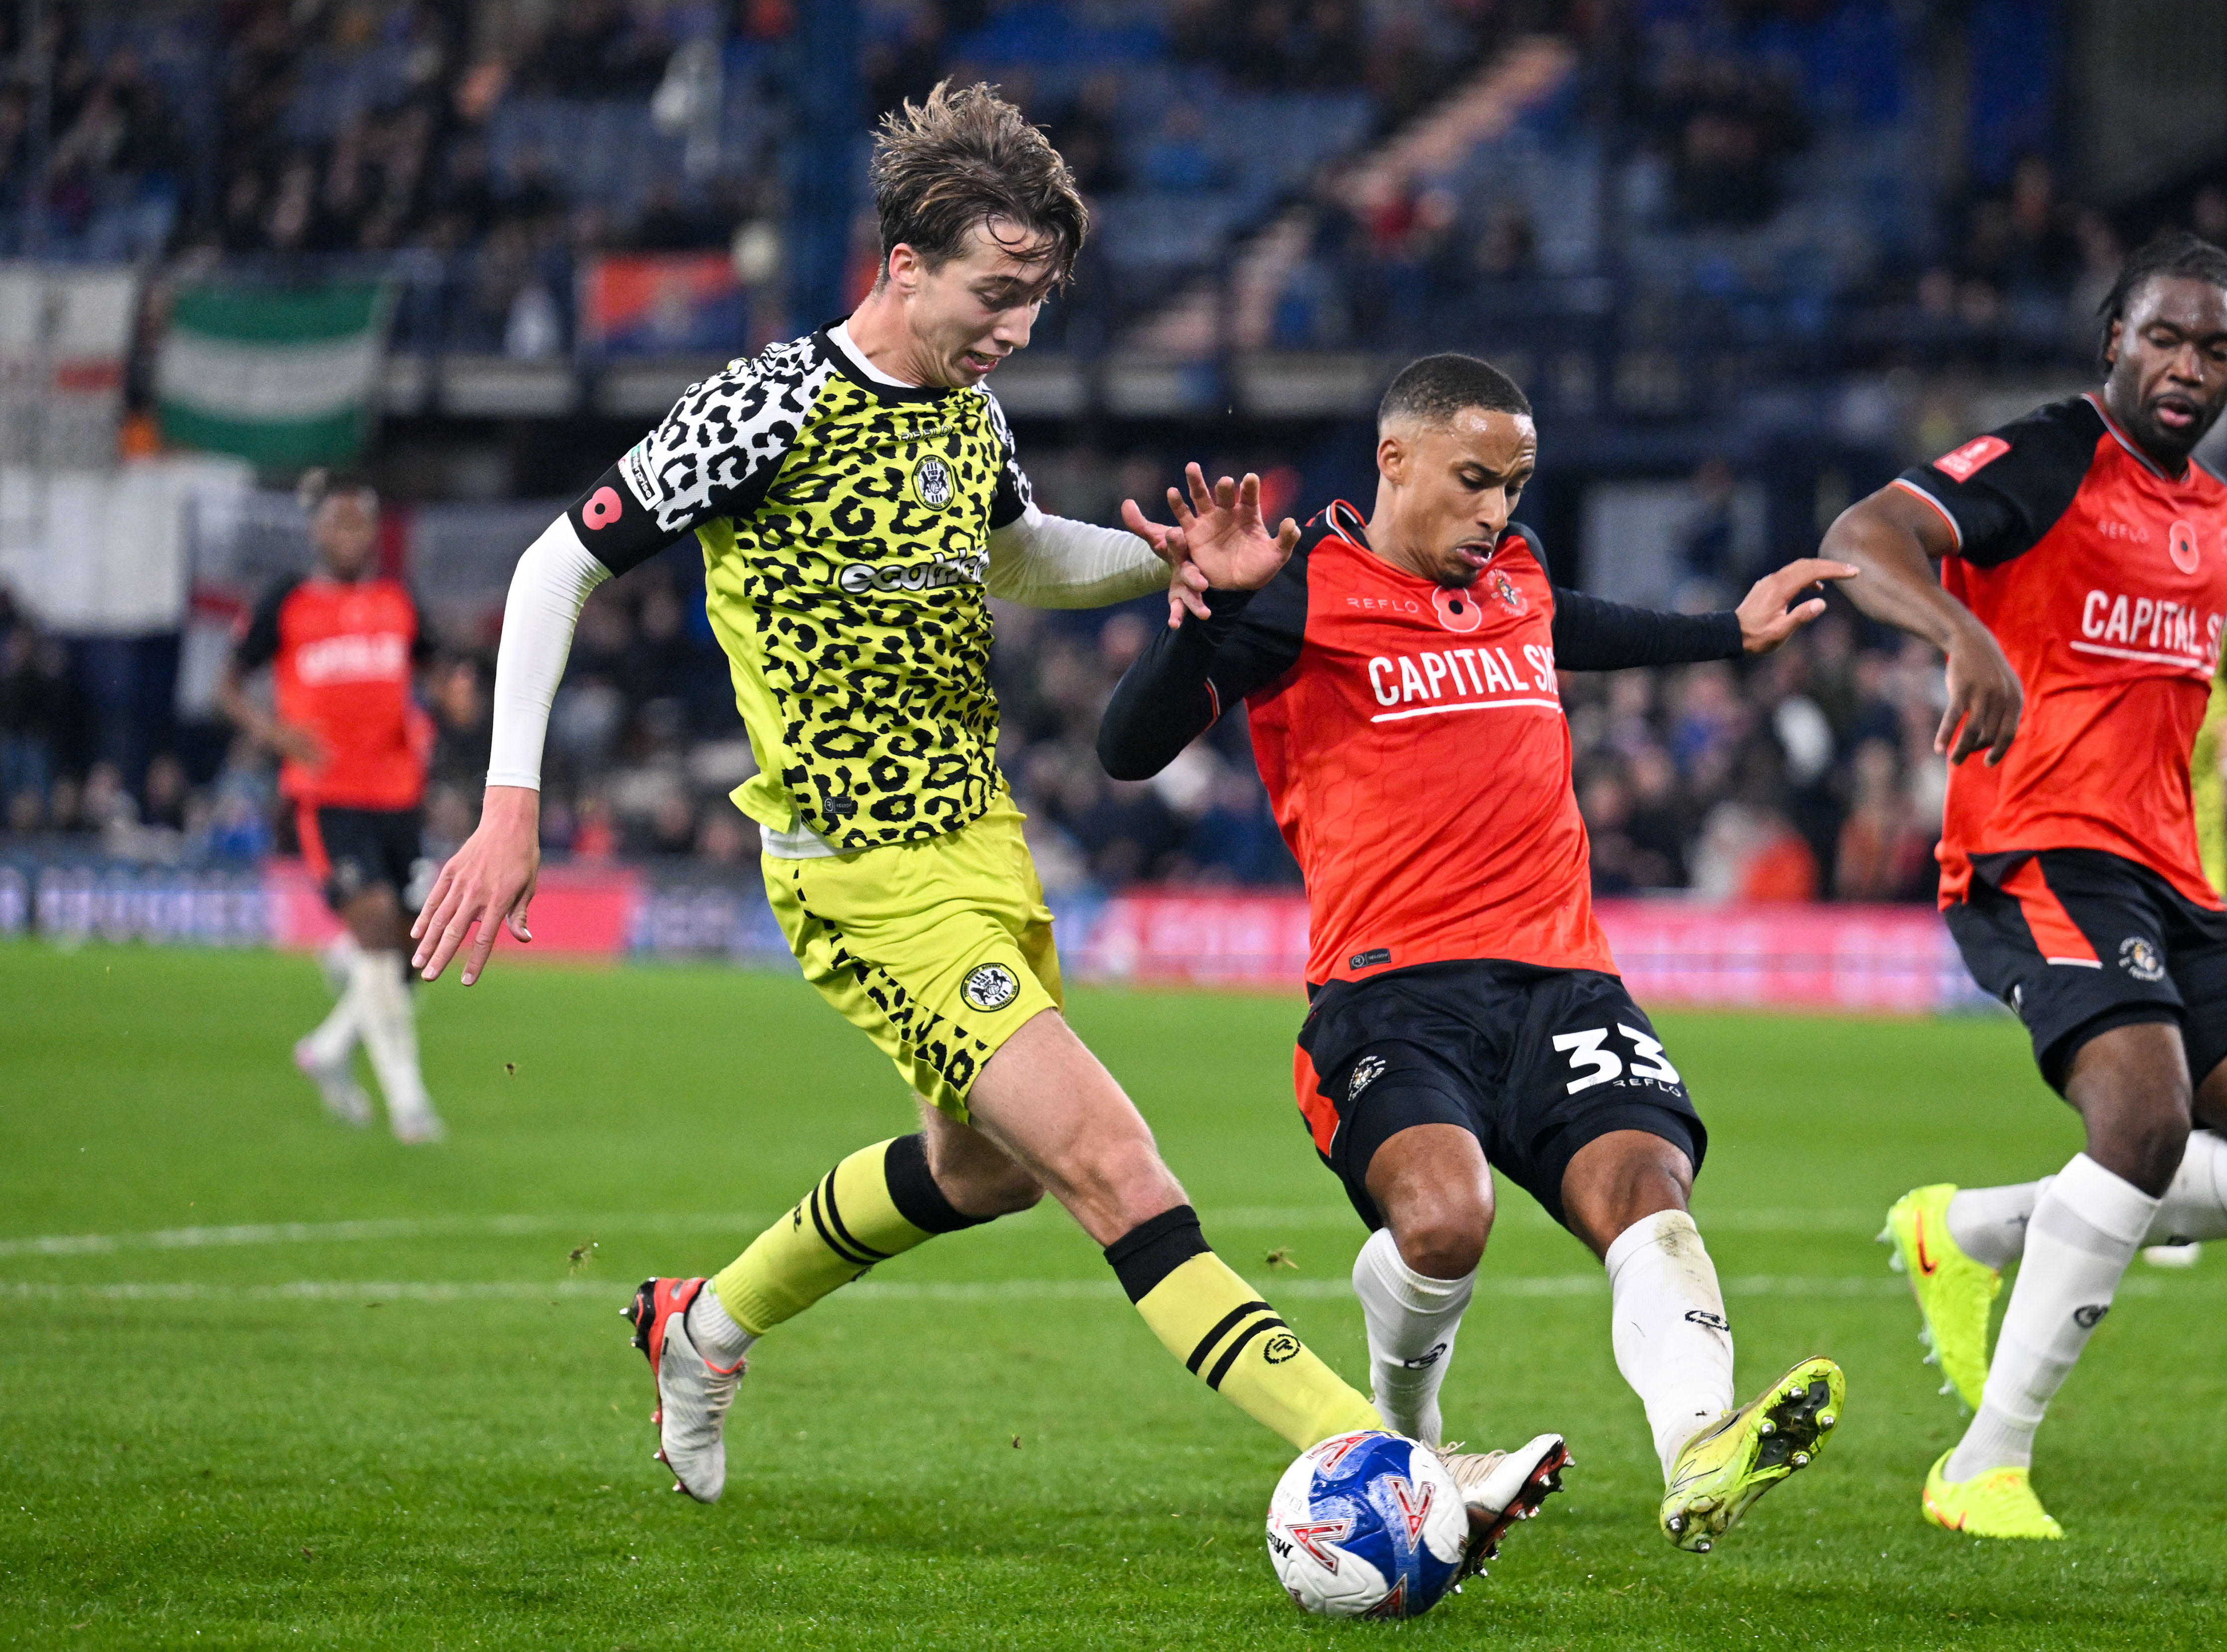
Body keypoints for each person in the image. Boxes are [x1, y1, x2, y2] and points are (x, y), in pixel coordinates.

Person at [410, 84, 1562, 1555]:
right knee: (1113, 1167)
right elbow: (554, 566)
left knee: (983, 1171)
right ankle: (1395, 1461)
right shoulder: (766, 406)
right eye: (996, 293)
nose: (1016, 327)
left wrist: (1175, 563)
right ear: (905, 264)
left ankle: (700, 1325)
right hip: (862, 874)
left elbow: (1014, 553)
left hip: (981, 847)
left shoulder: (967, 411)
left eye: (1036, 301)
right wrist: (510, 805)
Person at [1096, 353, 1853, 1554]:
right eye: (1474, 480)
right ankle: (1411, 1440)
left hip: (1564, 979)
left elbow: (1571, 626)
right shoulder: (1295, 593)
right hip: (1390, 993)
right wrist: (1204, 619)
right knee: (1446, 1222)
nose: (1498, 509)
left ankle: (1698, 1449)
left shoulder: (1517, 574)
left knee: (1647, 1193)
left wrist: (1730, 630)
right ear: (1394, 459)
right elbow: (1128, 749)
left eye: (1515, 484)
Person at [1822, 231, 2227, 1540]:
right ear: (2113, 341)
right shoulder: (2053, 456)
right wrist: (1963, 631)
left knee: (2171, 1138)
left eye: (2214, 349)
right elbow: (1864, 534)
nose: (2187, 366)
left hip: (2177, 879)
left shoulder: (2213, 519)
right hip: (2039, 846)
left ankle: (1971, 1231)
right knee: (2144, 1115)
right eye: (2163, 337)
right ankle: (1983, 1464)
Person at [219, 471, 443, 1143]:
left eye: (360, 522)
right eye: (338, 522)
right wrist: (272, 732)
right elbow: (228, 684)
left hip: (399, 795)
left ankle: (328, 1050)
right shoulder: (288, 602)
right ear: (317, 530)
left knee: (412, 950)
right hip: (328, 796)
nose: (350, 534)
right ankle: (408, 1100)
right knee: (374, 923)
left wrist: (454, 698)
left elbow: (436, 671)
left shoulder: (398, 600)